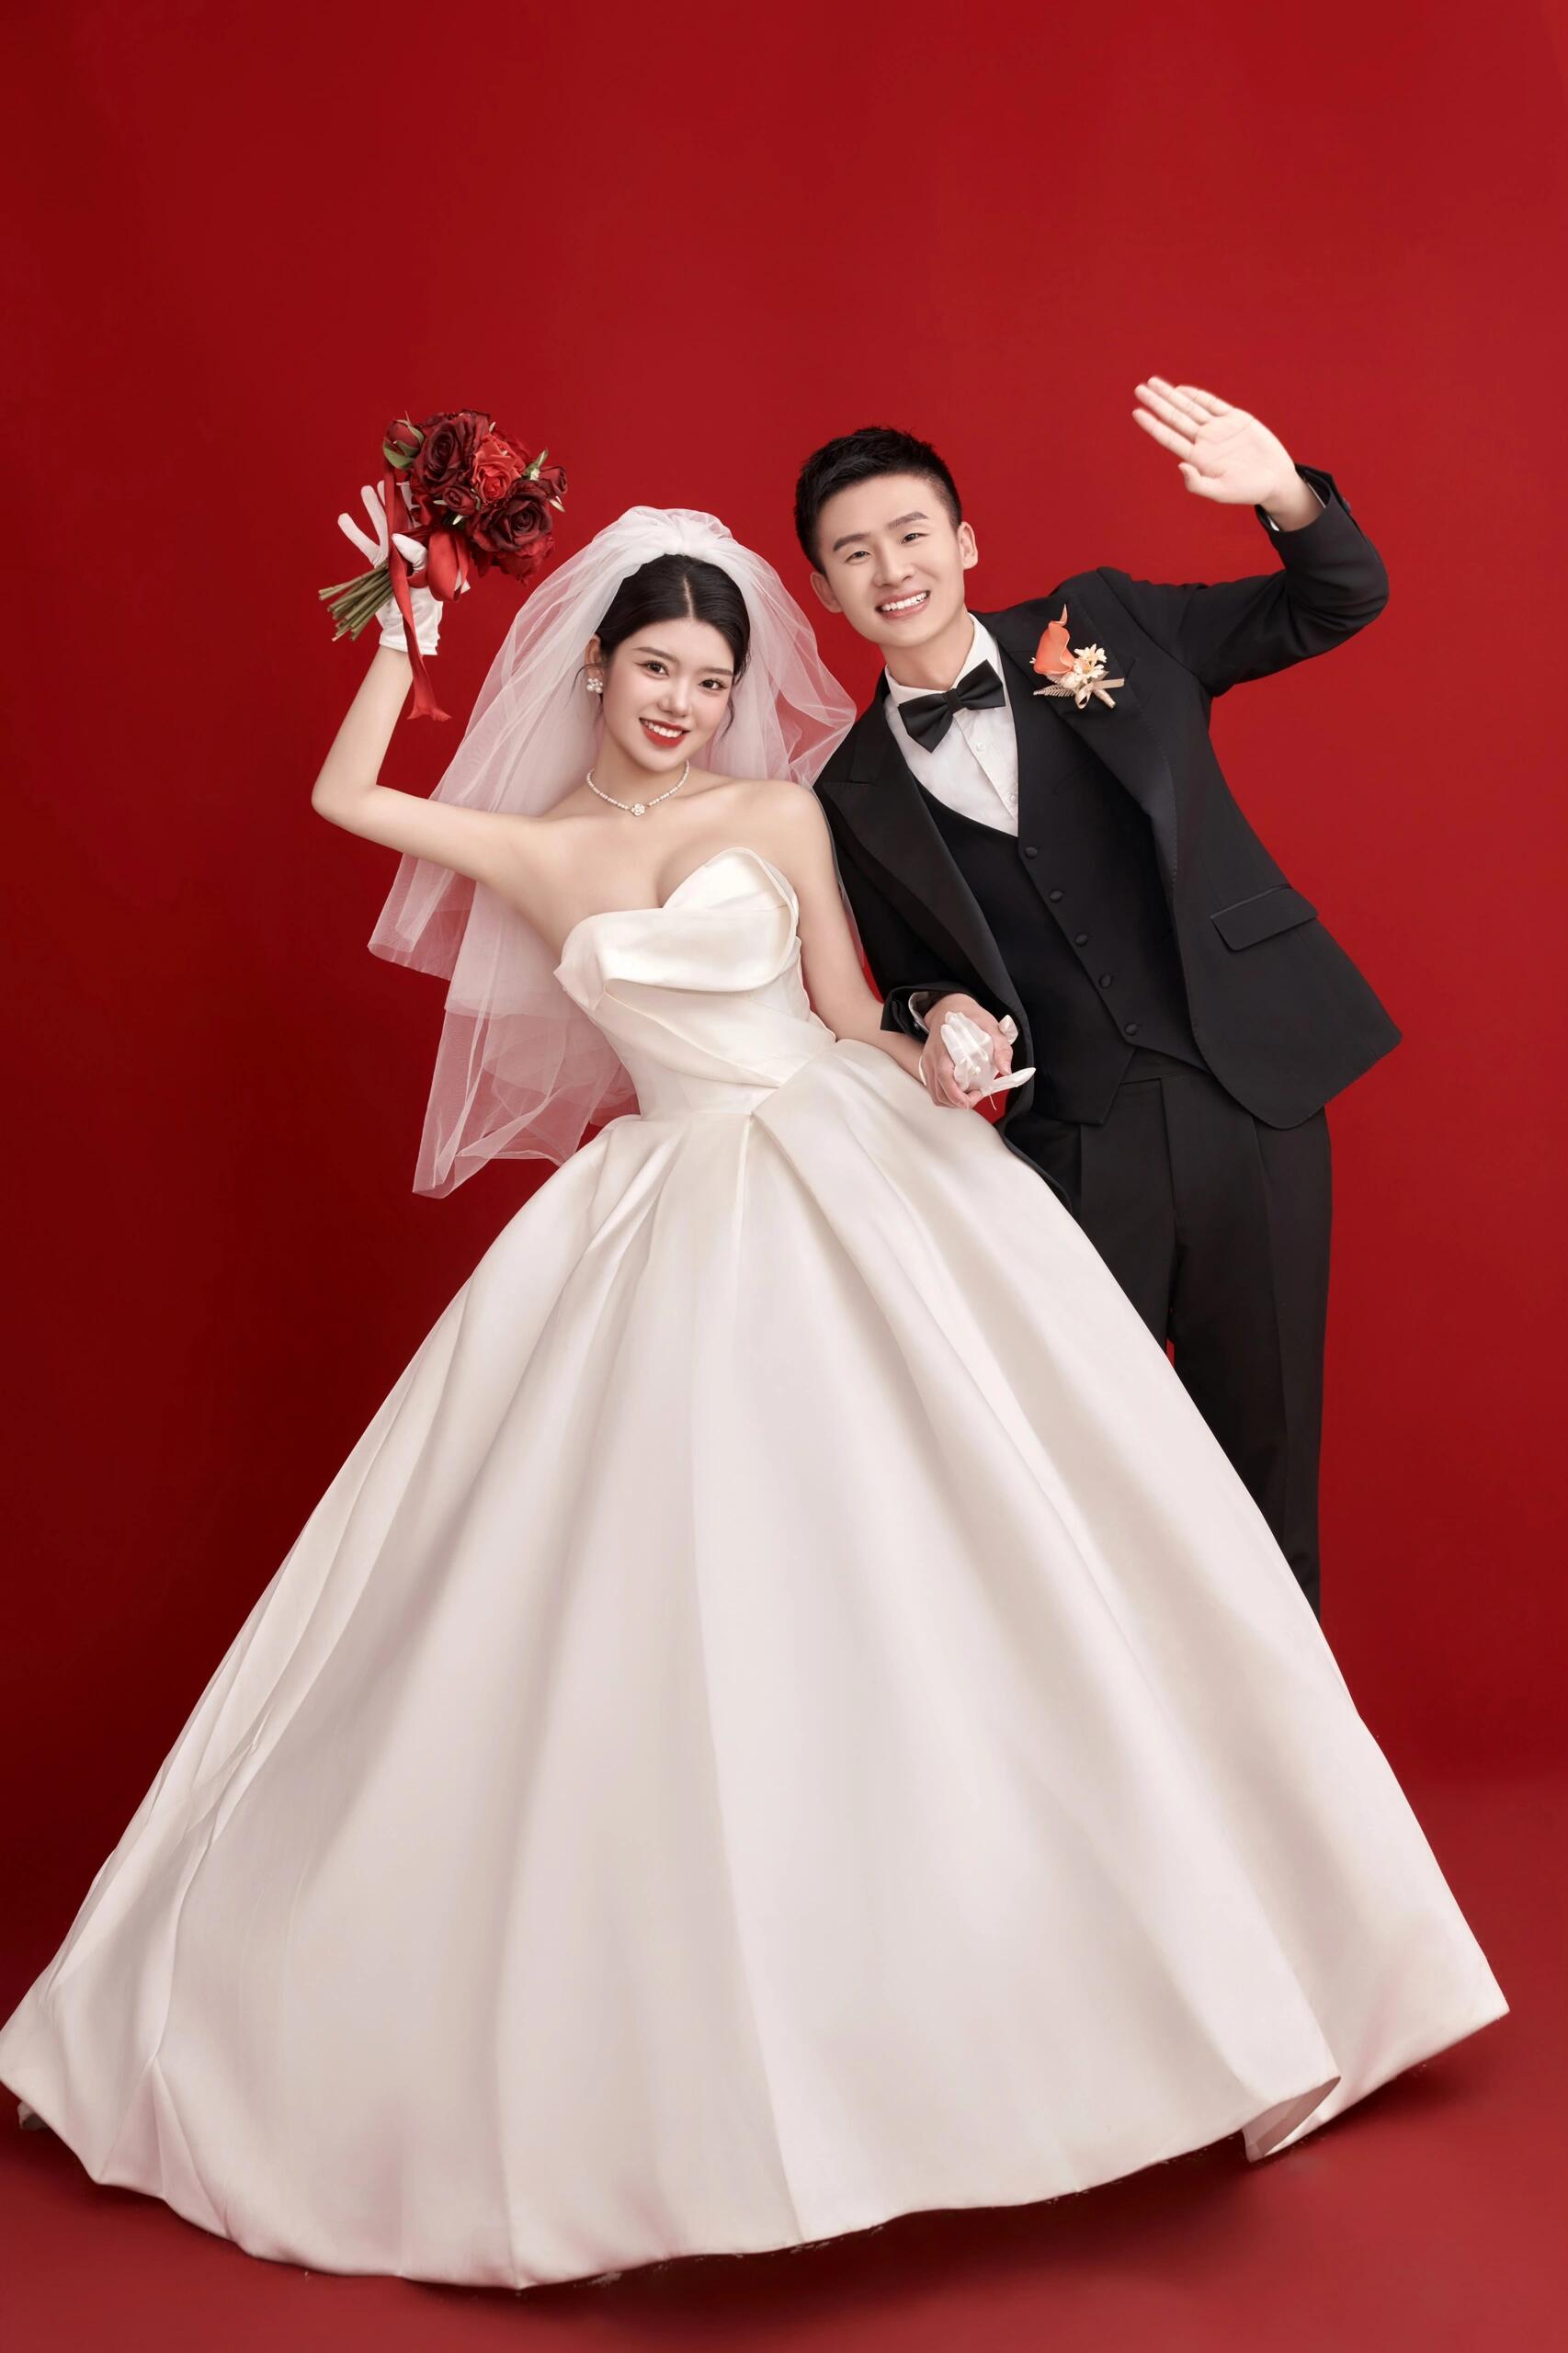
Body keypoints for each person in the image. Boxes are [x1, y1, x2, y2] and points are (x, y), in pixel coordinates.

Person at [0, 503, 1504, 2295]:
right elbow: (348, 799)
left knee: (994, 1542)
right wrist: (405, 622)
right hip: (662, 1201)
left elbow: (850, 1008)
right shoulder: (536, 848)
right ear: (594, 668)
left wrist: (941, 1051)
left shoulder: (778, 811)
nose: (685, 704)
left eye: (713, 680)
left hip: (847, 1167)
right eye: (657, 668)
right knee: (652, 1606)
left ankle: (1156, 1955)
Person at [802, 384, 1400, 1620]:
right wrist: (941, 1015)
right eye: (854, 554)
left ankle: (1282, 1740)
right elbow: (909, 973)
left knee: (1269, 1456)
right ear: (823, 590)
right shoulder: (845, 791)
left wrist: (1285, 496)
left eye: (911, 534)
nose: (892, 569)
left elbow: (1335, 600)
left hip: (1248, 1092)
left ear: (964, 542)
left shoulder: (1107, 621)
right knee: (1093, 1478)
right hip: (1071, 1144)